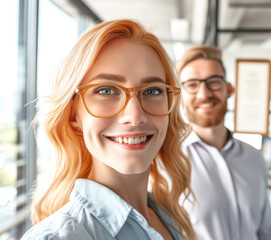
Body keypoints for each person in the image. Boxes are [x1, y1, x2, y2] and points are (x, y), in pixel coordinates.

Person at [21, 20, 195, 240]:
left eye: (152, 91)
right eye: (106, 90)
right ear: (74, 114)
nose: (135, 116)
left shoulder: (170, 217)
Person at [177, 45, 271, 240]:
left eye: (213, 82)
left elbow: (267, 232)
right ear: (180, 96)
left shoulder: (254, 158)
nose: (204, 94)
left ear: (229, 89)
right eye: (192, 85)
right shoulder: (166, 161)